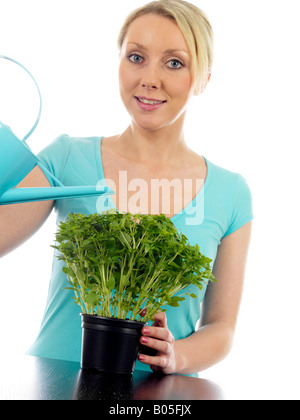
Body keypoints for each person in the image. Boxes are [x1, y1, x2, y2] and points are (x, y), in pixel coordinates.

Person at [0, 0, 253, 377]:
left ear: (202, 78)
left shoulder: (230, 192)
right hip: (55, 384)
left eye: (174, 62)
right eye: (136, 57)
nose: (150, 78)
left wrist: (176, 356)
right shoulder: (67, 158)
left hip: (161, 395)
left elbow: (222, 328)